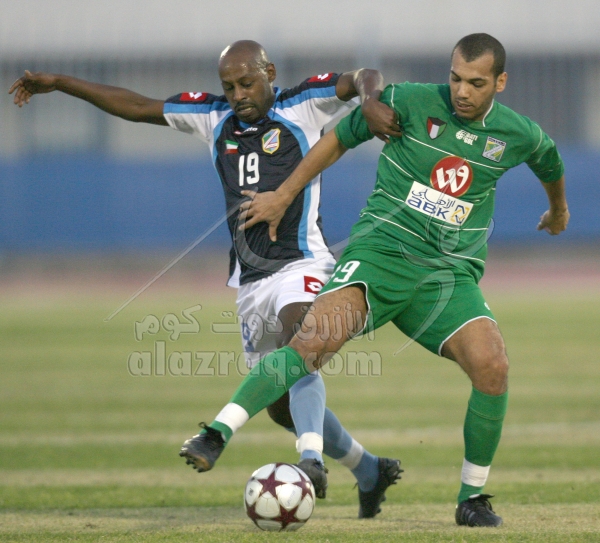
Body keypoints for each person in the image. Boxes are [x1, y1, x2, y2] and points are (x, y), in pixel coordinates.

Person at [179, 34, 569, 527]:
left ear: (500, 82)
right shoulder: (407, 101)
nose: (461, 91)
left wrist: (558, 210)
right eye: (455, 79)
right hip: (379, 257)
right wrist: (283, 194)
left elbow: (548, 158)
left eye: (476, 83)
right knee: (311, 342)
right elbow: (336, 140)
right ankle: (216, 433)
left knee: (493, 366)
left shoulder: (516, 133)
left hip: (446, 276)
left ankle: (472, 499)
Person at [9, 40, 404, 517]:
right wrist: (60, 83)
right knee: (280, 405)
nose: (238, 94)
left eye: (247, 83)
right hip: (250, 281)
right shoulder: (214, 116)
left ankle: (310, 461)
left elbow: (363, 75)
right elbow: (136, 106)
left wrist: (370, 98)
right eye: (229, 86)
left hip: (302, 262)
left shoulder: (302, 103)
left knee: (300, 343)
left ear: (269, 74)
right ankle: (369, 469)